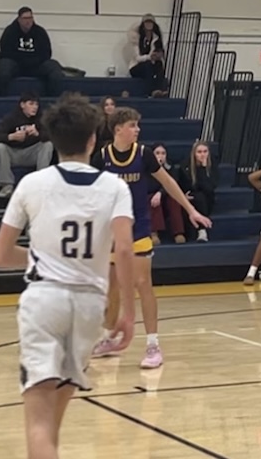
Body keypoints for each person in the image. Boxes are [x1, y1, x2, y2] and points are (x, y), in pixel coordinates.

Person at [0, 94, 137, 459]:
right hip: (89, 306)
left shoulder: (32, 184)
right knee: (52, 425)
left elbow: (1, 255)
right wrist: (127, 312)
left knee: (39, 426)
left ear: (53, 139)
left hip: (45, 301)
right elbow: (124, 249)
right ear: (93, 139)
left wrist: (44, 256)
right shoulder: (115, 187)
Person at [89, 107, 211, 368]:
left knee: (143, 283)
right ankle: (109, 338)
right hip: (112, 231)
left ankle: (153, 346)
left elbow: (168, 182)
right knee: (112, 287)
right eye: (132, 125)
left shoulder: (143, 154)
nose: (138, 130)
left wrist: (191, 210)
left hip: (139, 228)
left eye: (138, 125)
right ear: (118, 129)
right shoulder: (102, 157)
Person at [0, 92, 55, 198]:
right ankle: (7, 186)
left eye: (36, 104)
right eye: (31, 104)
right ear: (22, 105)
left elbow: (52, 136)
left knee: (47, 145)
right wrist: (11, 137)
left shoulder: (41, 118)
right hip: (13, 153)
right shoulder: (11, 118)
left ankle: (41, 184)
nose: (35, 107)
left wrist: (38, 134)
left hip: (32, 154)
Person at [0, 7, 64, 97]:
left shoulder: (40, 32)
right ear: (19, 19)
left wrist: (33, 61)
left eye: (30, 18)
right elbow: (6, 52)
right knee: (4, 65)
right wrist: (23, 60)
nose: (28, 21)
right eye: (25, 18)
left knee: (54, 67)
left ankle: (52, 98)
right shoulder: (10, 31)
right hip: (17, 65)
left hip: (36, 65)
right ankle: (2, 97)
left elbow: (46, 53)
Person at [179, 140, 217, 242]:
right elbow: (192, 186)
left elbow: (210, 187)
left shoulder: (212, 165)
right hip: (190, 196)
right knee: (199, 196)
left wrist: (203, 169)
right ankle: (202, 230)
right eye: (199, 152)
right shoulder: (186, 165)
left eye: (205, 151)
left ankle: (202, 230)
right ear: (194, 154)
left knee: (202, 196)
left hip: (207, 198)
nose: (202, 155)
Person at [125, 14, 168, 97]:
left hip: (150, 65)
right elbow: (137, 58)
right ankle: (150, 92)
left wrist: (158, 56)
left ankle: (161, 90)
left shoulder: (156, 38)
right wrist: (149, 57)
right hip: (136, 67)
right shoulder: (136, 39)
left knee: (159, 64)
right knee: (148, 65)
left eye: (150, 22)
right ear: (143, 24)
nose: (149, 24)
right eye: (146, 22)